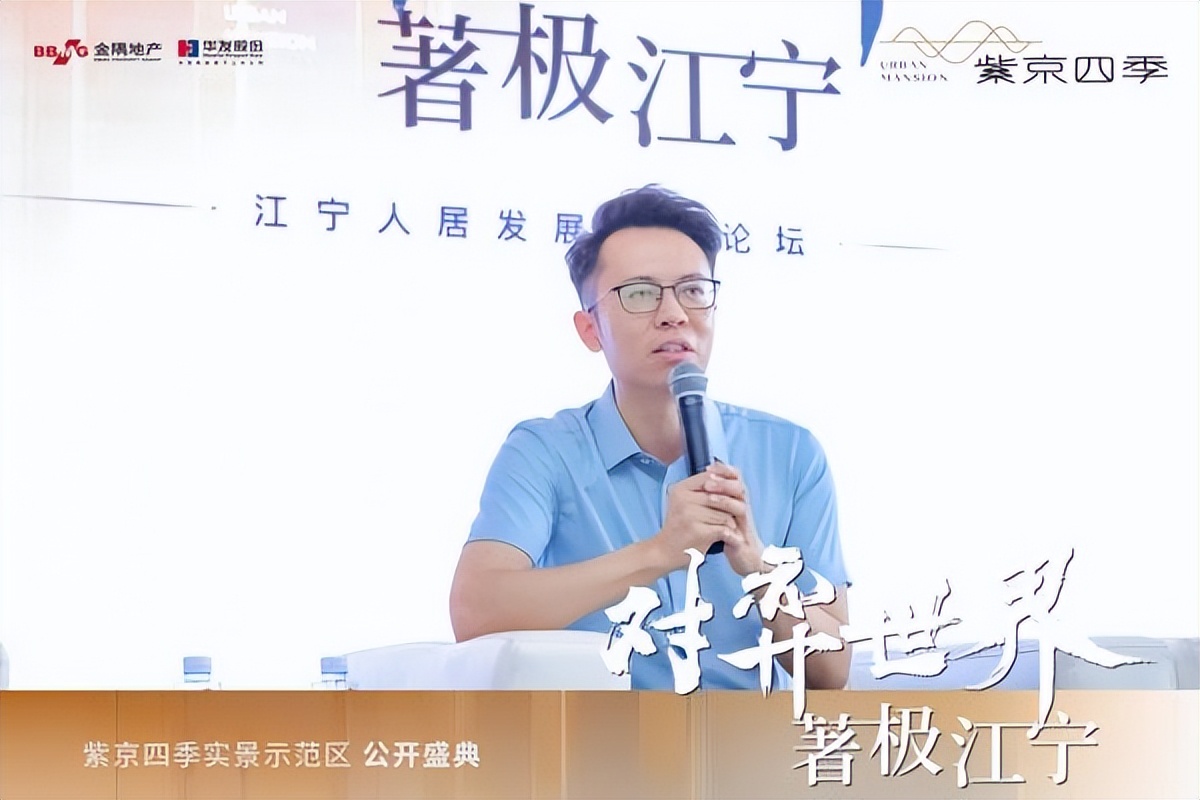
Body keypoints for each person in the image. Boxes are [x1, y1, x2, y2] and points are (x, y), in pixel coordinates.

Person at [449, 185, 850, 691]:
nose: (674, 313)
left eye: (694, 290)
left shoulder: (790, 453)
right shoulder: (543, 451)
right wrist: (660, 551)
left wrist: (755, 562)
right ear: (590, 329)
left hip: (748, 737)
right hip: (598, 736)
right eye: (640, 293)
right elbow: (476, 613)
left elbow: (832, 671)